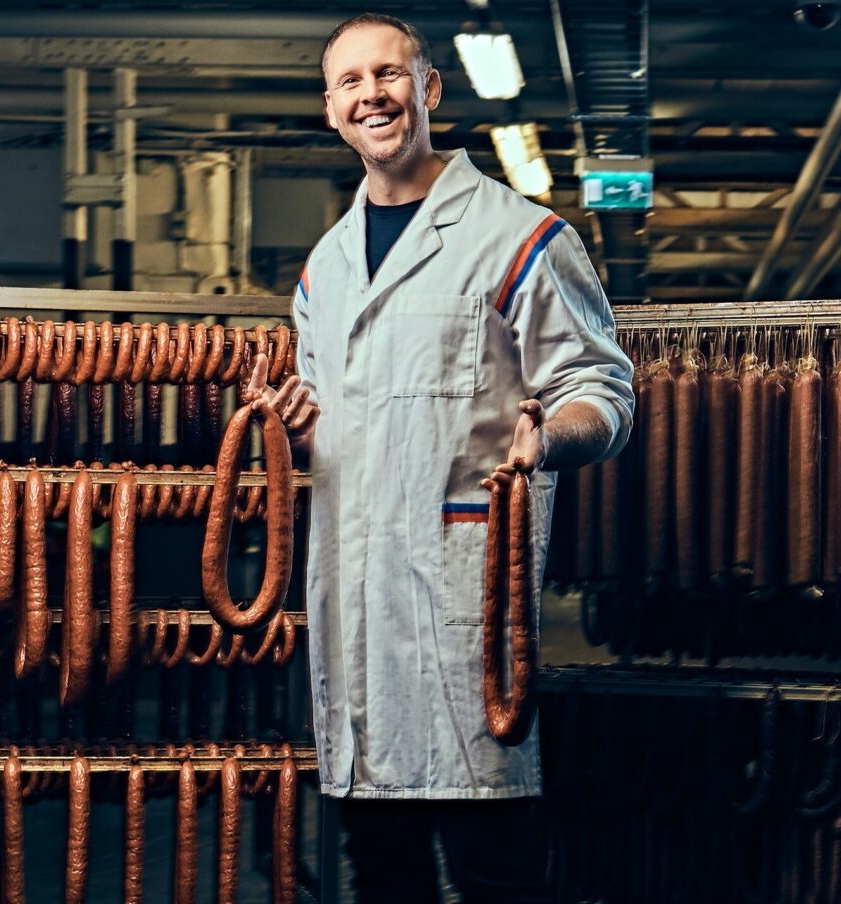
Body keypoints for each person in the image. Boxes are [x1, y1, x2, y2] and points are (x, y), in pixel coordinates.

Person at [244, 12, 634, 902]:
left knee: (495, 869)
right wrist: (299, 429)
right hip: (356, 611)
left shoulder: (522, 237)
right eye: (350, 82)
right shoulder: (326, 268)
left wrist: (549, 439)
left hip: (462, 602)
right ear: (331, 110)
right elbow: (349, 429)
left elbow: (604, 393)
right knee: (379, 871)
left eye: (390, 74)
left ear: (430, 89)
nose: (371, 94)